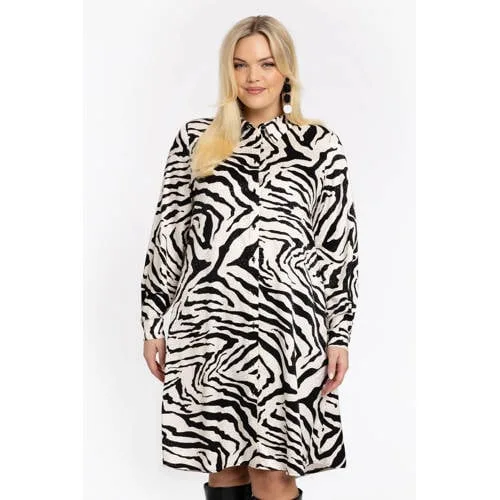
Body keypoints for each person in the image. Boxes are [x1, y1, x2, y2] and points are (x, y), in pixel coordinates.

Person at [140, 15, 359, 500]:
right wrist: (154, 323)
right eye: (240, 65)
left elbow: (339, 247)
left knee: (275, 475)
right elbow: (169, 236)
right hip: (209, 327)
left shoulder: (319, 145)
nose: (252, 77)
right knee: (224, 467)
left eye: (266, 63)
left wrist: (339, 334)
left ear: (287, 70)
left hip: (290, 330)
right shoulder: (196, 139)